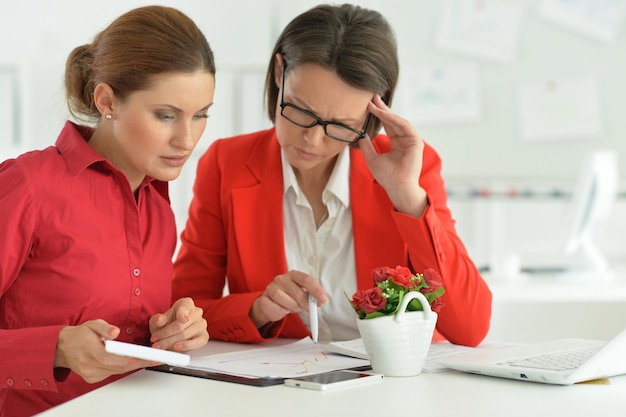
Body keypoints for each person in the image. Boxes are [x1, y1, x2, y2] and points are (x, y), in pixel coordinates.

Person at [172, 4, 491, 346]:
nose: (312, 139)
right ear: (280, 73)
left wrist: (407, 198)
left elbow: (469, 328)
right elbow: (183, 311)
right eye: (299, 110)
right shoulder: (227, 164)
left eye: (340, 125)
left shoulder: (411, 168)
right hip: (280, 390)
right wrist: (258, 310)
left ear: (374, 108)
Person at [0, 6, 215, 416]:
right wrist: (55, 349)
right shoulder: (28, 186)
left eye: (201, 115)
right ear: (107, 101)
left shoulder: (158, 205)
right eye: (165, 115)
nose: (187, 139)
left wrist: (176, 331)